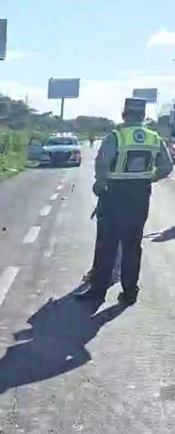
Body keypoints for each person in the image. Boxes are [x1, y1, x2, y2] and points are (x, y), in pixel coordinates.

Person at [75, 98, 174, 309]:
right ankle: (129, 292)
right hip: (140, 195)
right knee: (132, 245)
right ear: (142, 116)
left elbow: (102, 164)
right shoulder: (154, 137)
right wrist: (150, 177)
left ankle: (98, 291)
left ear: (124, 114)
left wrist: (100, 185)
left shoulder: (116, 136)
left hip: (114, 194)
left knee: (107, 244)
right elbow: (167, 166)